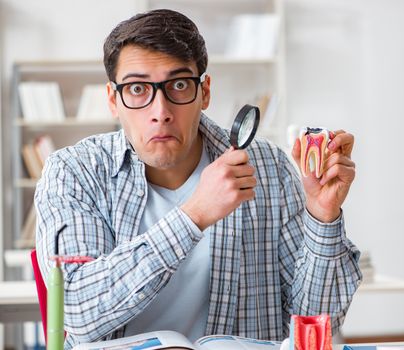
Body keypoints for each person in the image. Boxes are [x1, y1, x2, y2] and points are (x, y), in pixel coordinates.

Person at [35, 9, 362, 349]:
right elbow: (77, 313)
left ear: (204, 91)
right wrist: (193, 216)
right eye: (136, 89)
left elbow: (317, 319)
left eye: (178, 85)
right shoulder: (73, 172)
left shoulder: (270, 169)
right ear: (112, 100)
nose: (160, 111)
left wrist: (323, 218)